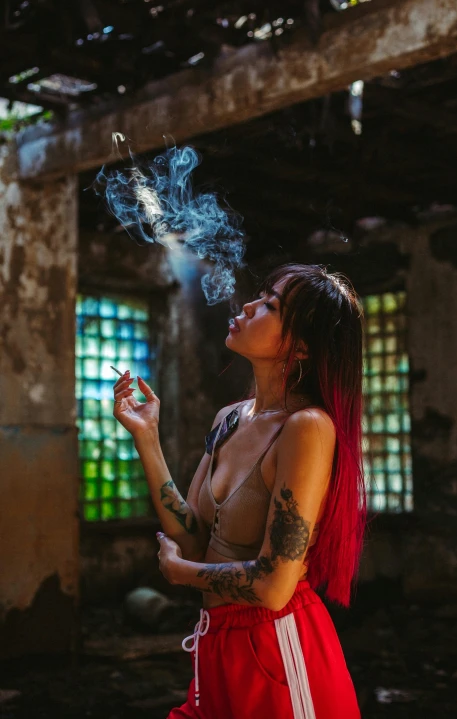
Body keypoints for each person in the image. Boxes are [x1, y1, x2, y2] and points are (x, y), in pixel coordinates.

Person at [113, 263, 367, 719]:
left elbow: (273, 586)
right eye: (259, 295)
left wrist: (182, 573)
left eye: (270, 305)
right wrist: (147, 438)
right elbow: (193, 536)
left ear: (303, 346)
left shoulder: (306, 427)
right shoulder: (230, 417)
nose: (248, 306)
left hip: (277, 648)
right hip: (216, 640)